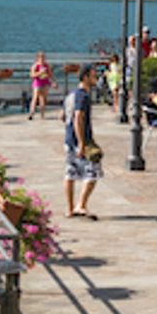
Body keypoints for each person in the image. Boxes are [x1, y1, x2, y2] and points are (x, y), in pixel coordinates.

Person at [63, 64, 101, 218]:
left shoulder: (71, 95)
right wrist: (82, 142)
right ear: (85, 77)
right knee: (93, 171)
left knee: (70, 173)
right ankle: (81, 205)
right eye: (93, 76)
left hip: (68, 139)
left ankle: (70, 208)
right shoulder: (83, 96)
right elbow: (78, 116)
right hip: (80, 140)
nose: (96, 79)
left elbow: (64, 116)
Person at [29, 51, 53, 120]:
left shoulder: (47, 65)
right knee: (35, 98)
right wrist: (39, 73)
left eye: (43, 57)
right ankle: (32, 113)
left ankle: (42, 114)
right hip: (37, 84)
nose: (42, 58)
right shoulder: (35, 65)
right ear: (37, 58)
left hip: (45, 83)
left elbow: (50, 74)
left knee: (43, 99)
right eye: (41, 57)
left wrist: (53, 82)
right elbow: (32, 75)